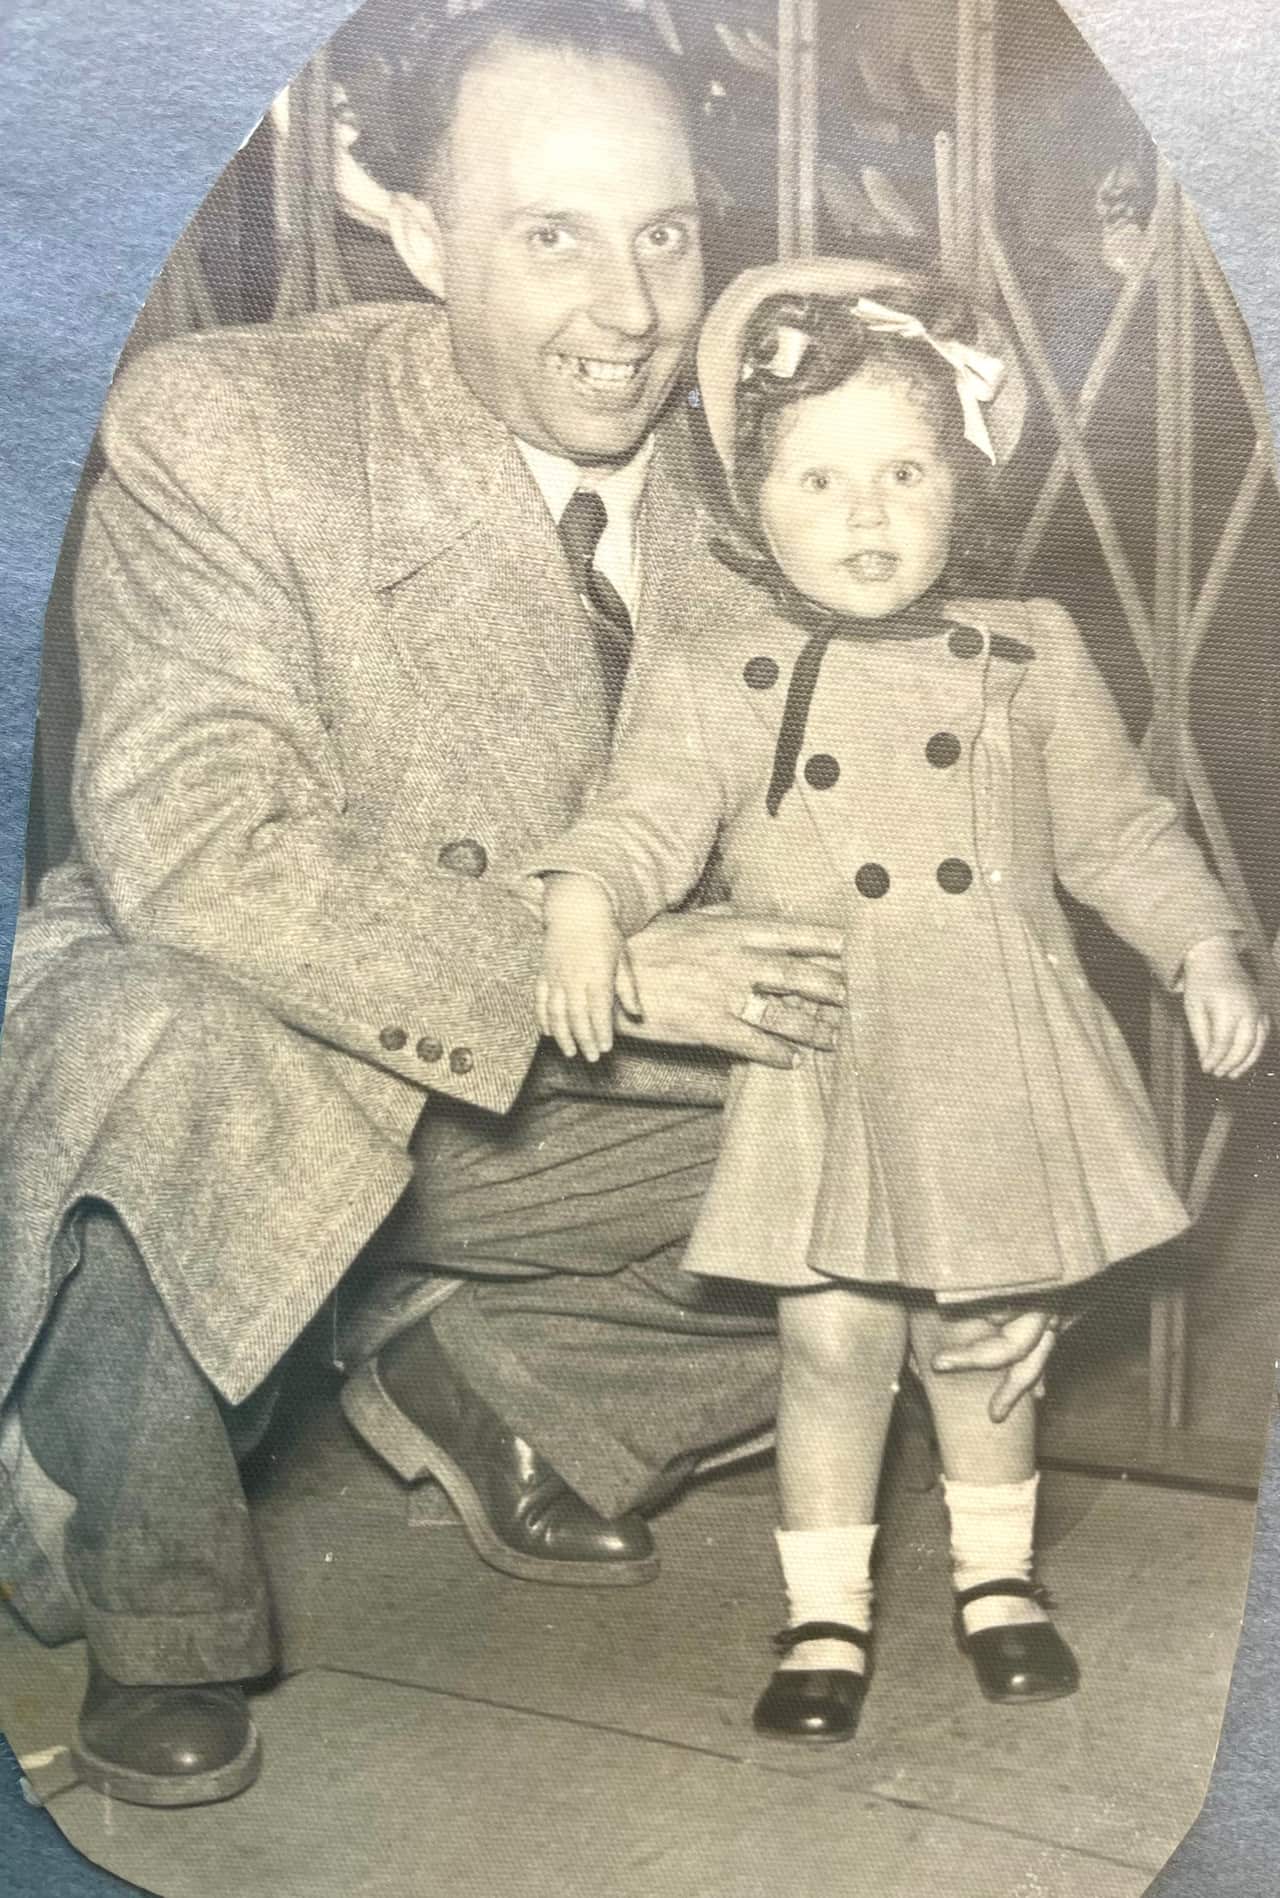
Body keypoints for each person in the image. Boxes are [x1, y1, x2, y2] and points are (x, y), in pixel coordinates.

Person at [0, 6, 1056, 1807]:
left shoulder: (774, 441)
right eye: (549, 233)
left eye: (665, 233)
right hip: (282, 1036)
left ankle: (479, 1365)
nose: (631, 309)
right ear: (413, 230)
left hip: (589, 1109)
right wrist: (617, 969)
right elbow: (198, 841)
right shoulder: (232, 422)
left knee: (996, 1172)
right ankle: (155, 1598)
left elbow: (931, 739)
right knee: (154, 1036)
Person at [527, 255, 1270, 1744]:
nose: (864, 512)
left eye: (903, 468)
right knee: (834, 1341)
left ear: (964, 479)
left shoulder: (1027, 650)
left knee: (985, 1332)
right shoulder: (714, 671)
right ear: (751, 500)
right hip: (830, 1057)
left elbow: (1119, 829)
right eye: (816, 477)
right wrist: (586, 897)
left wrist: (1203, 945)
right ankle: (825, 1608)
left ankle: (999, 1582)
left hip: (994, 1051)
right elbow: (648, 813)